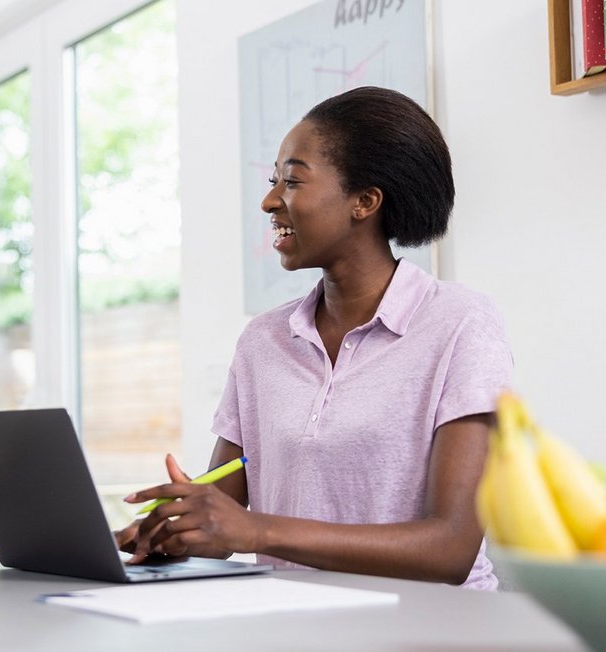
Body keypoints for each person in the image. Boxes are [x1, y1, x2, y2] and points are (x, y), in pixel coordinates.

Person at [118, 87, 511, 589]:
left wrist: (258, 529)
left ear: (364, 201)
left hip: (428, 631)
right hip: (297, 622)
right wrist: (175, 528)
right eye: (272, 180)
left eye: (292, 181)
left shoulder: (460, 323)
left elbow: (450, 548)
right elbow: (227, 523)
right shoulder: (263, 340)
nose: (269, 201)